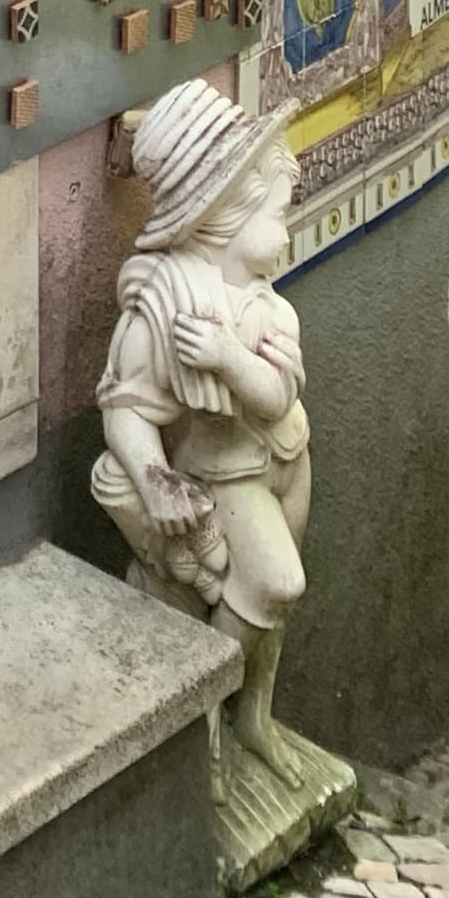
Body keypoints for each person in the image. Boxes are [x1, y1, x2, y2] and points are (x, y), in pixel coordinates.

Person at [91, 80, 313, 773]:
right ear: (225, 215)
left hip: (286, 459)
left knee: (268, 613)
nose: (288, 230)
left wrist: (230, 358)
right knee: (274, 585)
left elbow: (276, 402)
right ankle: (205, 718)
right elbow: (126, 407)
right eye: (278, 214)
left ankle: (254, 717)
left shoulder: (268, 306)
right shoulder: (163, 306)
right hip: (228, 474)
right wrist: (153, 475)